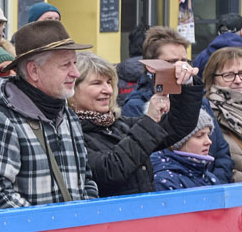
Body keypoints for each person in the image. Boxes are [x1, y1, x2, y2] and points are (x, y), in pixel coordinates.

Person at [0, 19, 100, 209]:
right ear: (34, 71)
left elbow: (85, 179)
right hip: (28, 229)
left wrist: (85, 217)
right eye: (65, 65)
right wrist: (46, 225)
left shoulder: (67, 115)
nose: (76, 73)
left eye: (74, 63)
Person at [68, 51, 204, 197]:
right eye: (96, 83)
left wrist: (186, 82)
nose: (108, 90)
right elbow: (110, 170)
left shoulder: (118, 125)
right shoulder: (68, 133)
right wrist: (150, 119)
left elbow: (178, 125)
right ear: (72, 89)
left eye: (109, 82)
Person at [203, 45, 242, 178]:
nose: (238, 80)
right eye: (228, 75)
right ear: (212, 78)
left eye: (241, 73)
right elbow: (214, 167)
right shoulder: (206, 114)